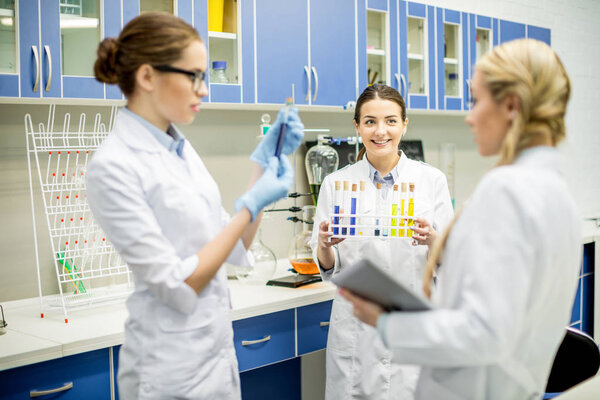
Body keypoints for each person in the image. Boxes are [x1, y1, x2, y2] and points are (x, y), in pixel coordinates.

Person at [341, 39, 581, 400]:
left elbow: (482, 333)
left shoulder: (507, 190)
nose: (469, 116)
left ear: (512, 106)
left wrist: (387, 324)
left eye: (476, 100)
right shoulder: (556, 190)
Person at [87, 13, 304, 400]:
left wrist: (260, 169)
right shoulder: (113, 165)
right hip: (166, 370)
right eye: (194, 75)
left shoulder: (179, 148)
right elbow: (179, 282)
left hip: (213, 358)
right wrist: (248, 206)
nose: (203, 90)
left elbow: (232, 245)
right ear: (148, 76)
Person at [310, 84, 454, 400]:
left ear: (404, 124)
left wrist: (433, 241)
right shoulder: (337, 184)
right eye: (370, 121)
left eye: (390, 121)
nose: (380, 131)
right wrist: (323, 245)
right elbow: (328, 267)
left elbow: (450, 261)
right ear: (357, 126)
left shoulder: (431, 181)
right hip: (356, 327)